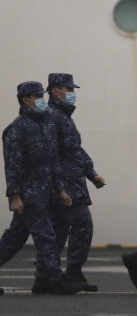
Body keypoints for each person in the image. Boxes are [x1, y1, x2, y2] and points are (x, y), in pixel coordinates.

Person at [2, 81, 79, 294]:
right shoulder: (17, 129)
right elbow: (12, 166)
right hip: (28, 194)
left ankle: (49, 277)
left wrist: (60, 189)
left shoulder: (45, 126)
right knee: (46, 235)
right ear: (26, 99)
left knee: (14, 239)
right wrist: (15, 196)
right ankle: (54, 278)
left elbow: (52, 162)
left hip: (44, 192)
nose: (42, 101)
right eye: (38, 97)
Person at [46, 73, 103, 292]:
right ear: (55, 91)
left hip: (69, 180)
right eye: (68, 90)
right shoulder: (53, 116)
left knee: (58, 229)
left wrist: (91, 173)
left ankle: (47, 274)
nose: (72, 94)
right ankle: (73, 273)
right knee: (82, 224)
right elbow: (53, 154)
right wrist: (57, 185)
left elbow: (74, 149)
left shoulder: (62, 116)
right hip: (64, 182)